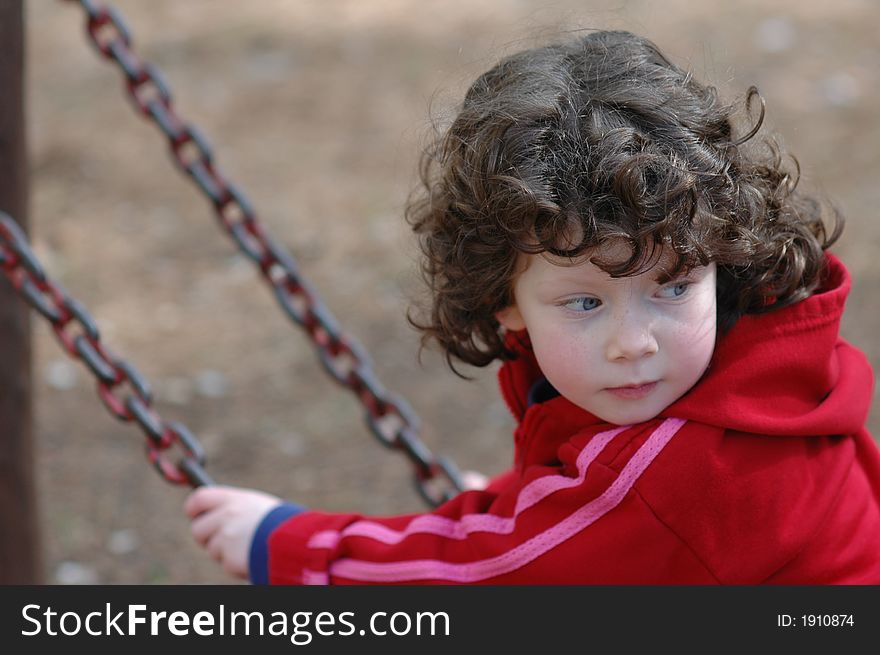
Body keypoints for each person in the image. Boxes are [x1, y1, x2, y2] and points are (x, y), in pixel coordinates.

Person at [184, 30, 880, 584]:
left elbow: (486, 574)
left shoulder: (680, 474)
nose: (633, 341)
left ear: (719, 262)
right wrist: (530, 501)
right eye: (585, 301)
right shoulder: (764, 373)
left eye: (672, 287)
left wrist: (291, 546)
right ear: (502, 302)